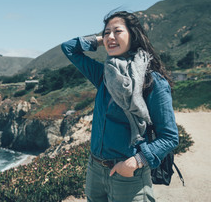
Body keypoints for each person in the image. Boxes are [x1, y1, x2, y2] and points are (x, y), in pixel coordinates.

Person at [61, 11, 179, 202]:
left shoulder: (153, 81)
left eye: (118, 31)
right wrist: (104, 40)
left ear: (133, 35)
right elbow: (68, 48)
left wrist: (135, 162)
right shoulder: (105, 75)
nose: (110, 37)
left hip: (128, 174)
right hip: (95, 169)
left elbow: (170, 137)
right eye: (106, 32)